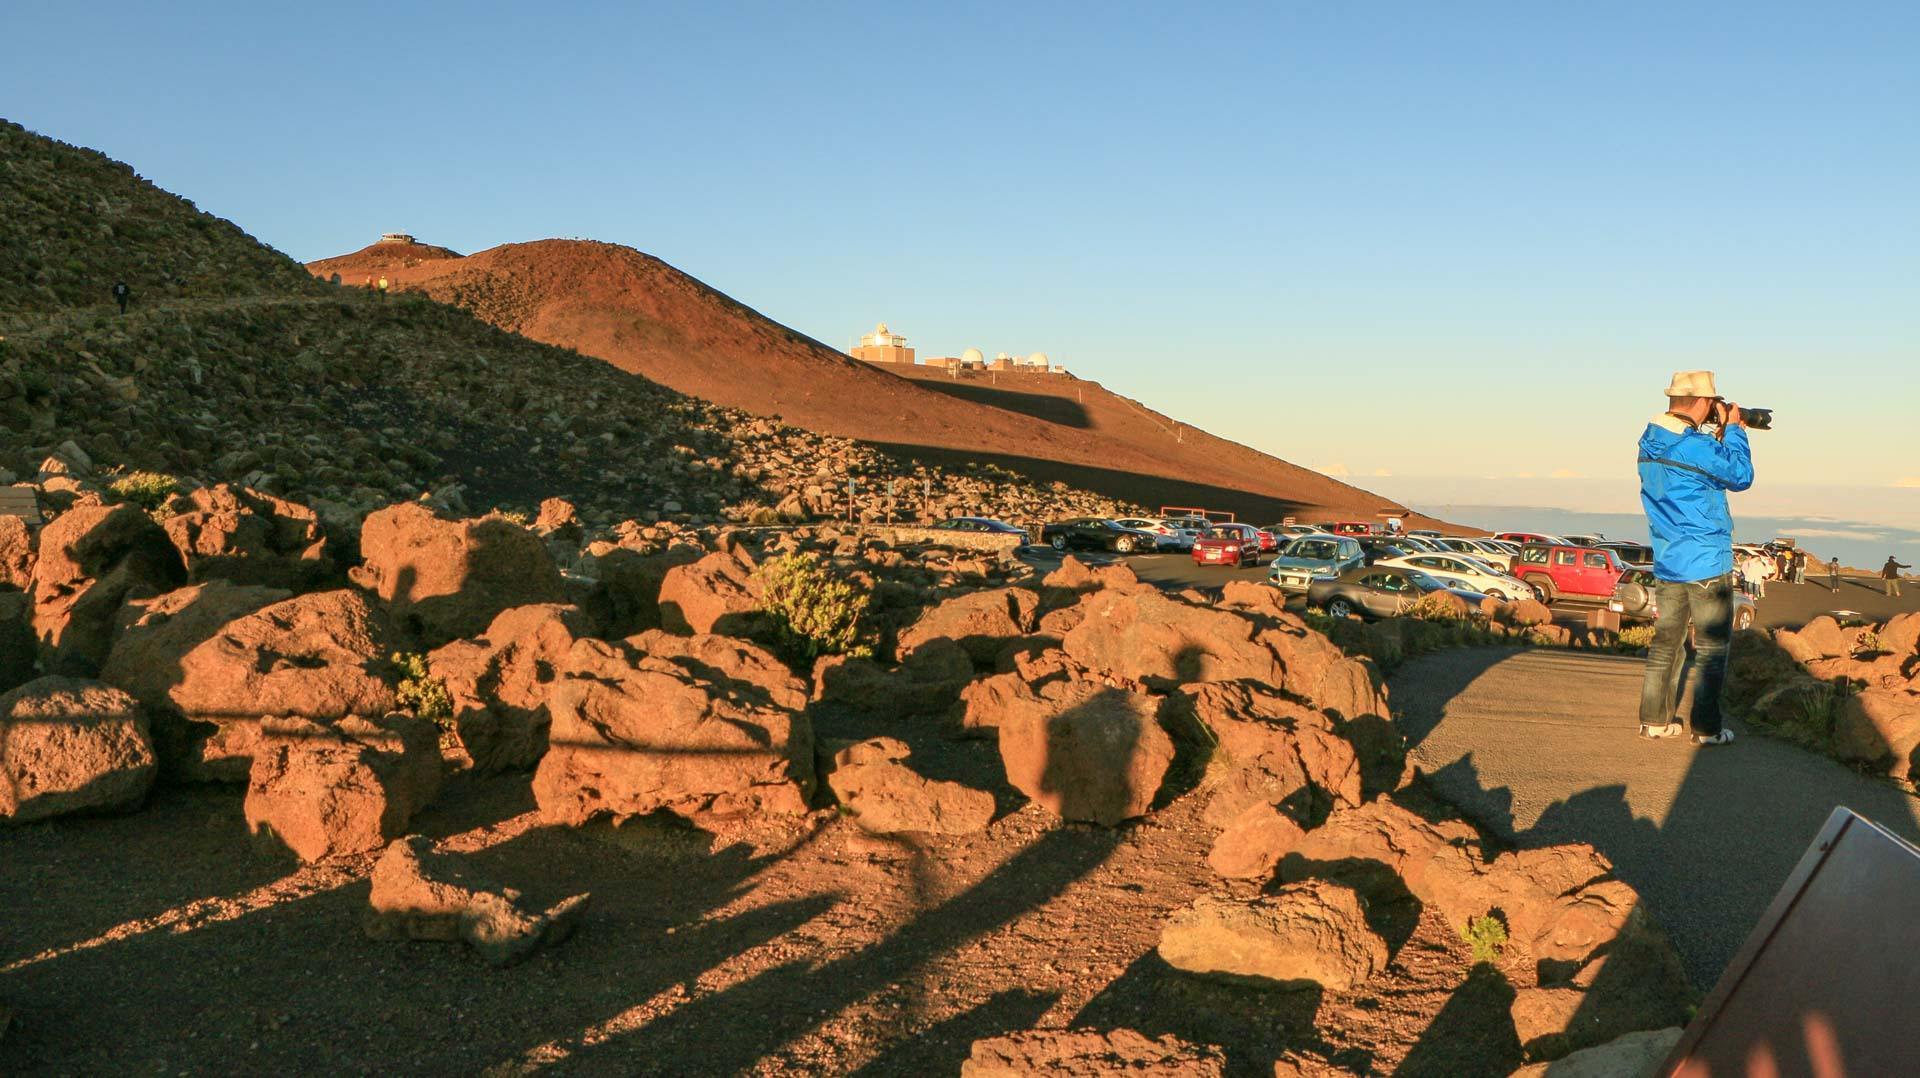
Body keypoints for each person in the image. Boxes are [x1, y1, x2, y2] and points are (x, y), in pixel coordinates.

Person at [1637, 370, 1752, 747]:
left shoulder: (1650, 442)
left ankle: (1654, 721)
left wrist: (1712, 433)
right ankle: (1706, 728)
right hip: (1705, 560)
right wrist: (1734, 430)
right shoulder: (1697, 448)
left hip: (1669, 560)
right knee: (1712, 650)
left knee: (1665, 644)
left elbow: (1692, 469)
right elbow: (1740, 475)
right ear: (1704, 403)